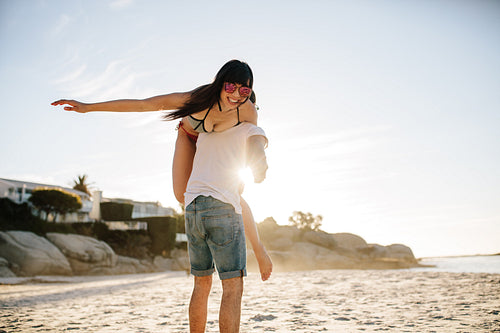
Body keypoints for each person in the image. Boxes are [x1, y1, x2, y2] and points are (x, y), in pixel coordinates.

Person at [51, 59, 272, 281]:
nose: (236, 94)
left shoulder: (247, 110)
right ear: (220, 83)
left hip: (217, 142)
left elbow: (249, 138)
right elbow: (142, 104)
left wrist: (246, 169)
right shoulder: (197, 98)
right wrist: (88, 107)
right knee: (182, 195)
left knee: (233, 195)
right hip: (189, 136)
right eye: (230, 87)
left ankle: (259, 249)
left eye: (244, 89)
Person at [185, 121, 268, 332]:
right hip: (222, 208)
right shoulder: (249, 128)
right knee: (232, 287)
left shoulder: (206, 128)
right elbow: (257, 145)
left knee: (201, 285)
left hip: (192, 207)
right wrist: (260, 163)